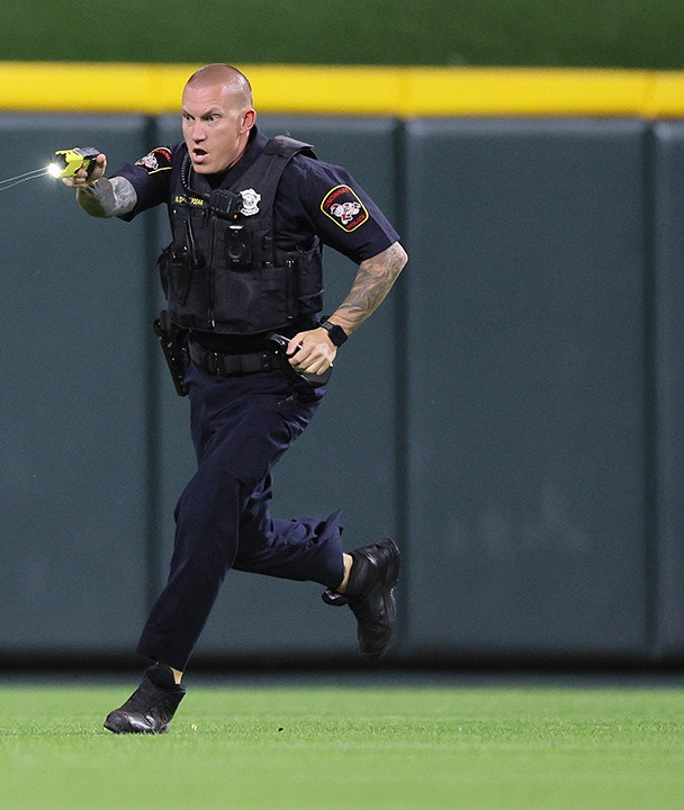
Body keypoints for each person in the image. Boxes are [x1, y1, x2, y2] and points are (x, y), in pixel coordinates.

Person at [58, 64, 408, 734]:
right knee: (232, 533)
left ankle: (160, 685)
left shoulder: (298, 176)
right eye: (188, 117)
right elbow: (113, 201)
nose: (195, 132)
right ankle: (356, 574)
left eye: (211, 118)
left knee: (202, 510)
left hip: (277, 381)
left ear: (246, 120)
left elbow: (385, 256)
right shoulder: (175, 166)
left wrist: (332, 332)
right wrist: (88, 186)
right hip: (209, 381)